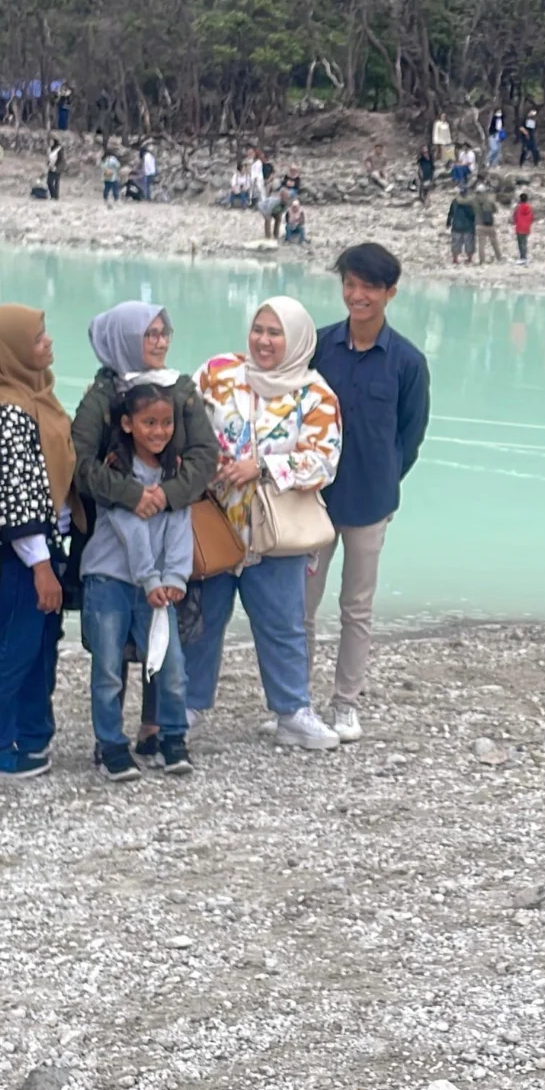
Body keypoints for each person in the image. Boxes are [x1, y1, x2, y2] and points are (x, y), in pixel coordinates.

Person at [185, 297, 344, 749]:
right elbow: (180, 421)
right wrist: (204, 457)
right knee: (200, 618)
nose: (264, 340)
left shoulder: (316, 395)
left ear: (295, 340)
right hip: (215, 522)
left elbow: (323, 460)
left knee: (282, 622)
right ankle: (188, 707)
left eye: (275, 333)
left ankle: (292, 711)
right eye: (258, 329)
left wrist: (266, 467)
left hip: (275, 533)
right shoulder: (217, 373)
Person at [71, 301, 221, 773]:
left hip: (168, 536)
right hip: (114, 546)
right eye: (148, 333)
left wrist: (166, 495)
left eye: (164, 332)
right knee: (111, 657)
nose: (159, 341)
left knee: (165, 649)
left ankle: (159, 731)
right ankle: (109, 742)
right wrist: (132, 494)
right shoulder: (102, 395)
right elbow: (78, 463)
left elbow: (204, 457)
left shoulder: (181, 389)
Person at [307, 245, 429, 741]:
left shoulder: (408, 362)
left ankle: (345, 703)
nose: (357, 295)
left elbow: (411, 435)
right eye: (350, 284)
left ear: (390, 293)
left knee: (356, 606)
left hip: (370, 505)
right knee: (300, 604)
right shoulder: (316, 347)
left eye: (369, 287)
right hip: (312, 500)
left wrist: (386, 485)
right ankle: (296, 699)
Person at [0, 305, 74, 779]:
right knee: (11, 645)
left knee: (40, 642)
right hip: (21, 551)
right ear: (8, 352)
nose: (48, 344)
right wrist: (41, 566)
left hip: (45, 543)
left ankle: (30, 736)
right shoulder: (2, 408)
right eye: (37, 339)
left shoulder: (32, 394)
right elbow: (13, 496)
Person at [71, 383, 195, 780]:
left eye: (166, 423)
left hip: (157, 585)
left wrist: (176, 576)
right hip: (111, 580)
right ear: (127, 424)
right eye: (149, 423)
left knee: (170, 663)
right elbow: (132, 528)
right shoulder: (115, 473)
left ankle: (171, 738)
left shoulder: (174, 473)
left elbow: (180, 524)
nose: (159, 431)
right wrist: (151, 579)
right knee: (108, 667)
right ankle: (110, 745)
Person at [473, 182, 503, 264]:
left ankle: (482, 261)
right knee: (494, 243)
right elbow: (496, 210)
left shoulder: (473, 202)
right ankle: (499, 258)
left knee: (481, 245)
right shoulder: (489, 200)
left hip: (479, 225)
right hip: (490, 225)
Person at [511, 190, 536, 264]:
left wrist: (515, 222)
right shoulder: (530, 207)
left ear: (520, 199)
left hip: (519, 227)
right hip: (527, 228)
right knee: (525, 242)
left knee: (520, 243)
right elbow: (532, 218)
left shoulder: (518, 207)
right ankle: (524, 257)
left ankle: (522, 257)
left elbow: (514, 217)